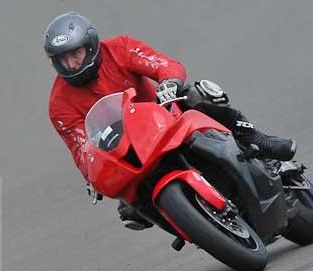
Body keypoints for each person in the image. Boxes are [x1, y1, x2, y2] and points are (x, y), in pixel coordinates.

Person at [44, 12, 297, 230]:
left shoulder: (119, 48)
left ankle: (256, 138)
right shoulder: (59, 105)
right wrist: (94, 173)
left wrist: (169, 82)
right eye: (62, 59)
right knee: (129, 208)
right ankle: (189, 222)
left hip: (164, 116)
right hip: (128, 151)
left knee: (198, 94)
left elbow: (163, 64)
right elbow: (81, 150)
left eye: (75, 53)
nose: (70, 64)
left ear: (90, 46)